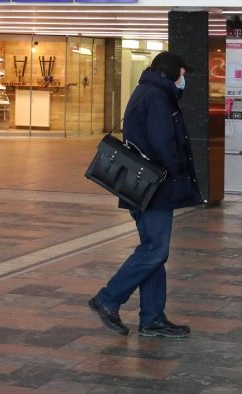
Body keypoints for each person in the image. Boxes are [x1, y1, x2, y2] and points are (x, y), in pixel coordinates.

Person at [88, 51, 202, 339]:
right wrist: (178, 171)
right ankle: (108, 298)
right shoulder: (155, 97)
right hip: (155, 187)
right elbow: (163, 142)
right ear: (170, 73)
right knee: (155, 250)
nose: (184, 79)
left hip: (145, 185)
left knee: (154, 252)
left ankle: (152, 318)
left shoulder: (149, 91)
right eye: (182, 74)